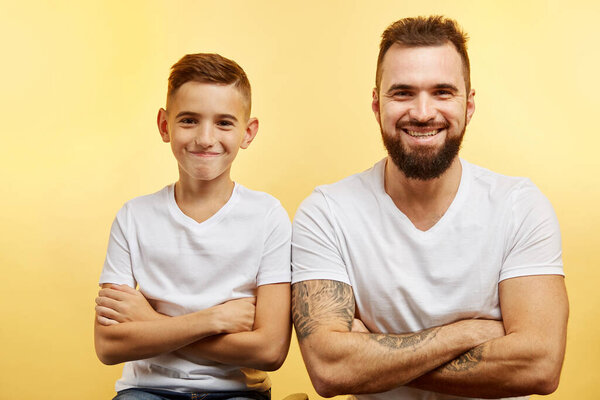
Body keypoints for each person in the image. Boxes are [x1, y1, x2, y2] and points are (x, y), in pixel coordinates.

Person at [291, 16, 568, 400]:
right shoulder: (326, 214)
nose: (422, 113)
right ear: (376, 104)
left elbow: (539, 366)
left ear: (469, 105)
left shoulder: (519, 207)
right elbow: (330, 369)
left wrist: (371, 357)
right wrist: (468, 333)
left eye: (442, 92)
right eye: (402, 93)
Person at [94, 53, 292, 400]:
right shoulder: (134, 217)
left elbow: (270, 351)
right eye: (189, 120)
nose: (205, 138)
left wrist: (152, 323)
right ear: (164, 125)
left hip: (238, 392)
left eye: (224, 123)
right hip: (146, 391)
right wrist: (213, 320)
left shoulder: (268, 217)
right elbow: (108, 346)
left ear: (248, 132)